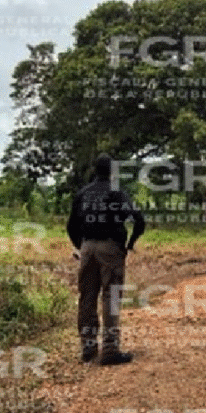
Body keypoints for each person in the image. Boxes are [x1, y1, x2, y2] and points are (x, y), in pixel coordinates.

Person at [66, 154, 145, 365]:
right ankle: (110, 350)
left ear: (95, 170)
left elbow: (70, 226)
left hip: (87, 247)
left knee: (87, 298)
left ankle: (88, 347)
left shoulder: (82, 193)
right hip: (110, 248)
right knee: (110, 297)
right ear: (112, 171)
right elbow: (138, 220)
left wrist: (80, 247)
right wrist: (129, 244)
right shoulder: (116, 193)